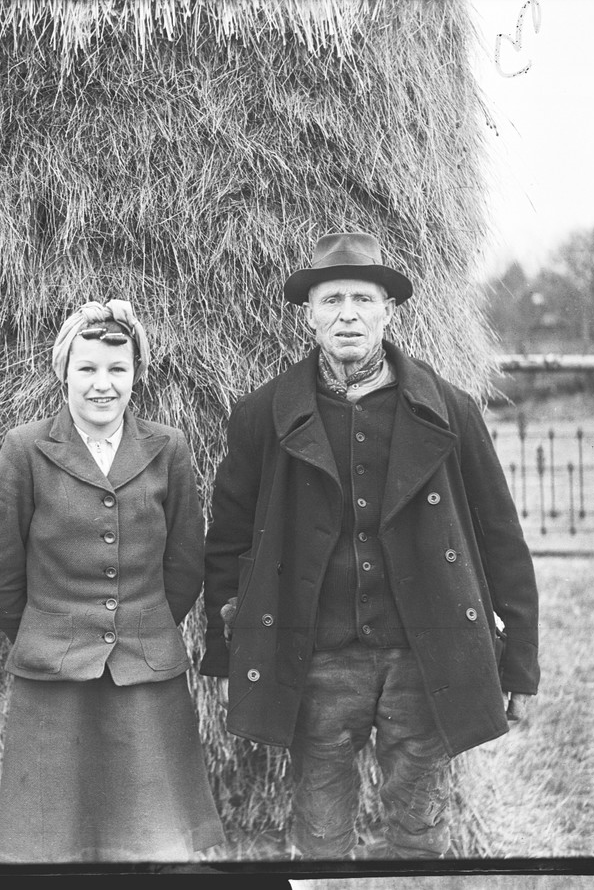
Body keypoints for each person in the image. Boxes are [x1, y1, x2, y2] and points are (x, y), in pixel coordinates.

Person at [200, 232, 540, 859]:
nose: (347, 315)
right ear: (309, 315)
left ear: (390, 309)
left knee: (418, 829)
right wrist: (229, 655)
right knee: (321, 833)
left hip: (424, 656)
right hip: (317, 660)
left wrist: (518, 660)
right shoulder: (262, 414)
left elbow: (500, 538)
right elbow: (227, 543)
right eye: (331, 300)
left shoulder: (450, 411)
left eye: (362, 298)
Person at [0, 299, 225, 863]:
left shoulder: (168, 448)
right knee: (50, 841)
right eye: (87, 369)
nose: (102, 385)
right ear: (63, 371)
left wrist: (137, 624)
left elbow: (185, 565)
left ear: (136, 374)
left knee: (148, 838)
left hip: (145, 669)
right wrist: (52, 632)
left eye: (118, 370)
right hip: (52, 673)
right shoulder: (26, 449)